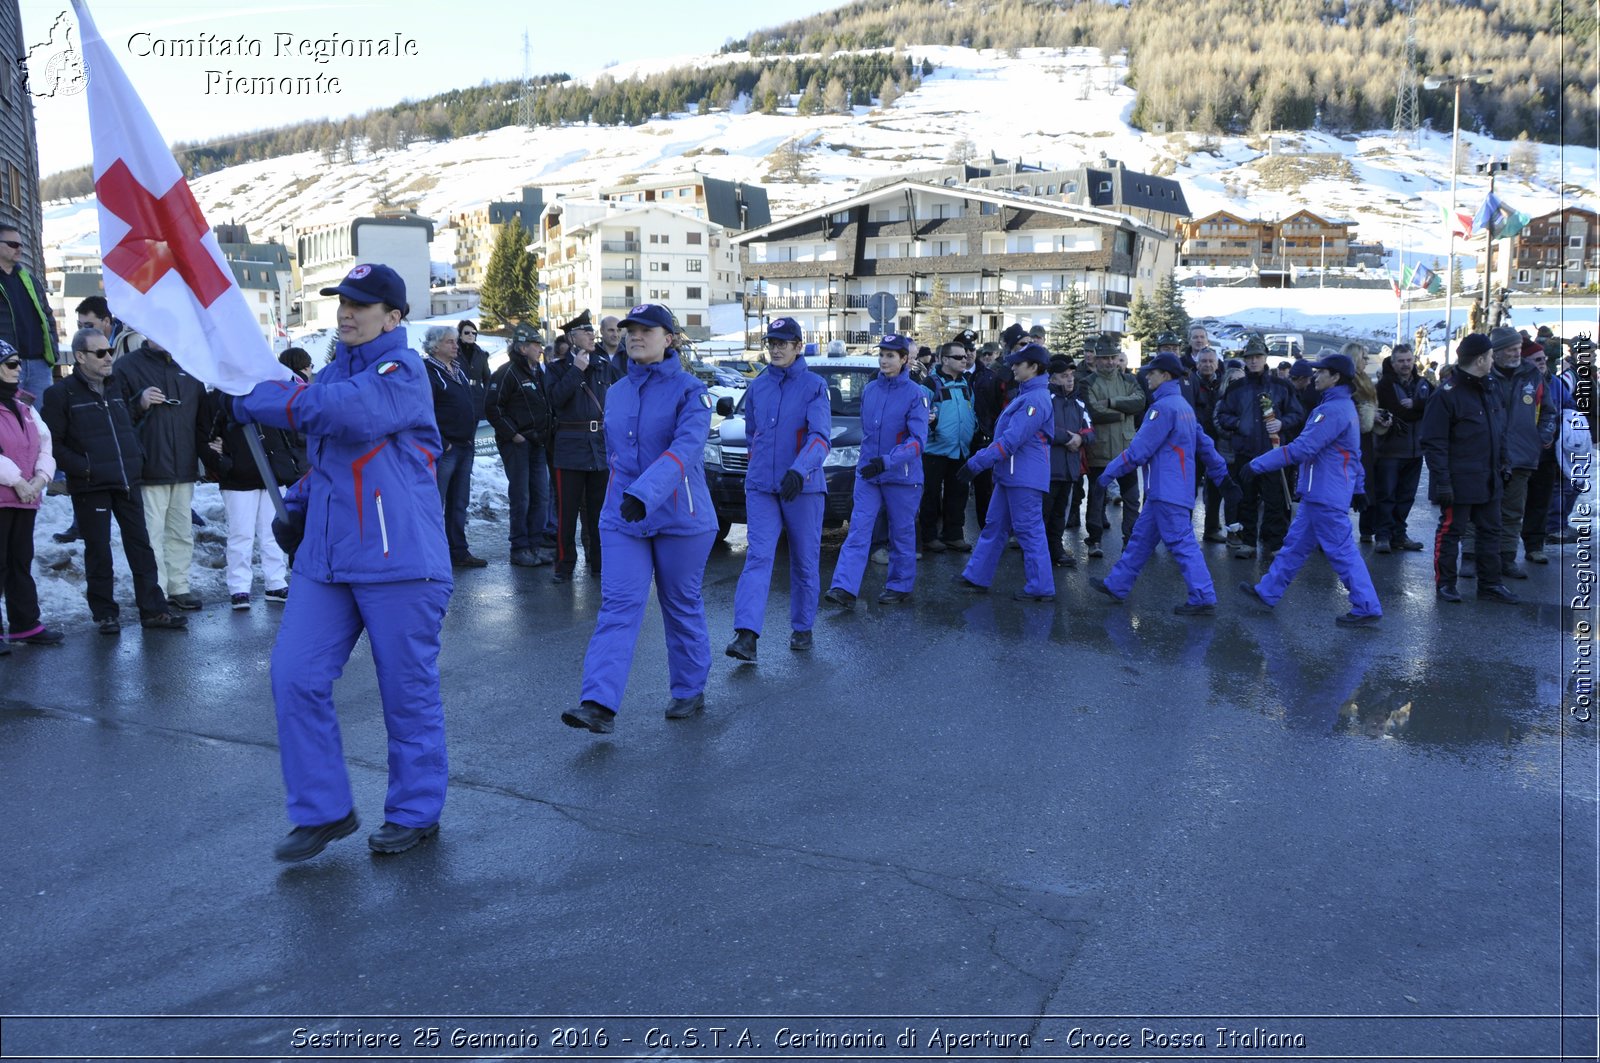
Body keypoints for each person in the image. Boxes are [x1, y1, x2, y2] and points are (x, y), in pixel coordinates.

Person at [234, 263, 453, 860]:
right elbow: (334, 460)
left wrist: (262, 398)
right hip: (326, 563)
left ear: (394, 316)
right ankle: (323, 810)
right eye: (342, 303)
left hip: (400, 562)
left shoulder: (402, 371)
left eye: (361, 303)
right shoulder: (331, 374)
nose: (347, 312)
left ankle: (415, 810)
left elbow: (346, 414)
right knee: (294, 676)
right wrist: (298, 504)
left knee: (406, 695)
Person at [563, 303, 716, 733]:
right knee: (618, 606)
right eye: (631, 329)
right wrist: (622, 496)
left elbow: (686, 449)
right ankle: (598, 703)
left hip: (680, 517)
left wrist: (644, 494)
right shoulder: (619, 390)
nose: (635, 336)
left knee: (680, 604)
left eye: (647, 330)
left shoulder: (691, 391)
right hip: (623, 516)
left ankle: (689, 689)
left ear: (669, 339)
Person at [40, 329, 187, 634]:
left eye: (109, 351)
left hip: (126, 479)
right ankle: (105, 614)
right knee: (98, 550)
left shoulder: (115, 385)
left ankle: (154, 611)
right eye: (100, 353)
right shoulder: (60, 394)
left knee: (140, 547)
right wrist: (86, 468)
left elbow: (124, 420)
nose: (108, 357)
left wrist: (137, 454)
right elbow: (52, 443)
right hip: (91, 485)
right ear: (80, 357)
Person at [1236, 352, 1382, 626]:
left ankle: (1366, 606)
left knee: (1341, 552)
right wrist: (1358, 488)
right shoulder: (1341, 406)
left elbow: (1302, 448)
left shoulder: (1332, 410)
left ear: (1336, 377)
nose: (1316, 376)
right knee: (1293, 547)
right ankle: (1268, 592)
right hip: (1322, 493)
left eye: (1321, 372)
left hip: (1325, 495)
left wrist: (1258, 464)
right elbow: (1353, 453)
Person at [1089, 352, 1238, 615]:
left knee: (1181, 543)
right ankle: (1117, 584)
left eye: (1152, 373)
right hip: (1169, 490)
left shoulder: (1163, 408)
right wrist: (1222, 477)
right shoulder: (1182, 407)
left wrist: (1106, 475)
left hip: (1166, 490)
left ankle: (1203, 596)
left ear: (1165, 376)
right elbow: (1205, 444)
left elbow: (1138, 451)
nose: (1147, 377)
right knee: (1140, 540)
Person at [726, 317, 831, 660]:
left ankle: (802, 627)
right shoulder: (758, 386)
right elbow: (752, 433)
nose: (775, 348)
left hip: (803, 488)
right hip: (761, 487)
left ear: (799, 346)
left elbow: (820, 438)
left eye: (783, 343)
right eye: (772, 342)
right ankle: (746, 635)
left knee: (803, 560)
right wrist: (759, 468)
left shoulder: (815, 386)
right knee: (758, 557)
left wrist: (799, 471)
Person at [824, 334, 928, 607]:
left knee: (901, 533)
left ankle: (900, 585)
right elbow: (868, 434)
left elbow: (917, 441)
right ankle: (844, 588)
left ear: (904, 359)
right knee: (858, 529)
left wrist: (888, 461)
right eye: (881, 354)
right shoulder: (870, 390)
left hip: (902, 477)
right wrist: (867, 464)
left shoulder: (915, 394)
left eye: (891, 355)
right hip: (869, 475)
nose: (884, 360)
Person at [1419, 333, 1518, 605]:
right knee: (1451, 532)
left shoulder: (1491, 387)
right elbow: (1434, 443)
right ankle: (1446, 585)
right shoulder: (1446, 396)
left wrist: (1505, 463)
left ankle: (1490, 584)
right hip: (1460, 479)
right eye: (1489, 356)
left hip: (1490, 477)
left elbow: (1499, 431)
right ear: (1481, 359)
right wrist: (1442, 482)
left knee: (1491, 532)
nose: (1492, 360)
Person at [953, 343, 1057, 601]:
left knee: (1029, 531)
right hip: (1013, 475)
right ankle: (977, 575)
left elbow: (1011, 440)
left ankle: (1041, 587)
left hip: (1023, 477)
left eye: (1018, 364)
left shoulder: (1035, 398)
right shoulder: (1028, 395)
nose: (1012, 367)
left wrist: (977, 463)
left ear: (1034, 368)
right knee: (995, 526)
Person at [114, 336, 208, 610]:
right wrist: (139, 403)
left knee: (181, 531)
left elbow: (202, 418)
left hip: (183, 465)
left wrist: (210, 455)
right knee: (151, 534)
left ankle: (179, 586)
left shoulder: (190, 366)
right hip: (147, 466)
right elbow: (115, 417)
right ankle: (156, 591)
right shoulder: (127, 367)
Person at [201, 390, 303, 608]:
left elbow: (288, 429)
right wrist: (222, 463)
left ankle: (276, 582)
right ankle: (239, 588)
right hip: (238, 478)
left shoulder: (268, 392)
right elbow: (205, 436)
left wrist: (288, 458)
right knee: (240, 534)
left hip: (274, 474)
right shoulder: (218, 397)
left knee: (273, 532)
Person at [1214, 334, 1303, 561]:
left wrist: (1283, 423)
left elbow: (1297, 414)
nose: (1253, 361)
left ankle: (1274, 543)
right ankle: (1247, 542)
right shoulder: (1236, 389)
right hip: (1245, 452)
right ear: (1245, 359)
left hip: (1273, 454)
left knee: (1274, 500)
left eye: (1258, 356)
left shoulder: (1282, 387)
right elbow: (1222, 414)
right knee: (1246, 499)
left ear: (1265, 358)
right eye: (1250, 357)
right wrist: (1237, 424)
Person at [0, 340, 63, 646]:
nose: (18, 370)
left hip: (25, 498)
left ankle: (25, 624)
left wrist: (41, 479)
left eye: (18, 363)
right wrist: (18, 481)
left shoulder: (25, 407)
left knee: (20, 561)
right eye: (11, 364)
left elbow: (45, 444)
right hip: (7, 495)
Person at [547, 309, 615, 583]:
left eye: (591, 331)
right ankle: (564, 566)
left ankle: (599, 564)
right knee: (567, 512)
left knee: (600, 512)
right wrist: (576, 371)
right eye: (585, 332)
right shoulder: (556, 368)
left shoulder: (603, 365)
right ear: (571, 337)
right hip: (570, 447)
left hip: (598, 447)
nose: (591, 335)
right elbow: (555, 399)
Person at [1487, 325, 1555, 579]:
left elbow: (1549, 410)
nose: (1518, 353)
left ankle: (1506, 558)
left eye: (1518, 348)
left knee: (1513, 512)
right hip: (1488, 455)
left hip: (1522, 456)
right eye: (1512, 349)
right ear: (1497, 352)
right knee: (1481, 508)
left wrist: (1542, 435)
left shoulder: (1531, 375)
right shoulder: (1484, 374)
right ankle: (1474, 558)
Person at [486, 324, 555, 567]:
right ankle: (519, 547)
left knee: (541, 496)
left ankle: (535, 545)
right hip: (518, 445)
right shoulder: (507, 373)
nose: (540, 348)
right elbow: (493, 407)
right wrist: (513, 434)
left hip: (538, 443)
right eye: (536, 344)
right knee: (521, 497)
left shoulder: (538, 371)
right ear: (522, 347)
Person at [422, 325, 485, 568]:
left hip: (465, 445)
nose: (456, 345)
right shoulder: (429, 372)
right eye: (450, 342)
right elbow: (426, 410)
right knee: (436, 503)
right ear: (435, 346)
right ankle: (433, 553)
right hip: (445, 449)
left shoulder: (458, 370)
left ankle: (459, 551)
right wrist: (443, 442)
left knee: (460, 502)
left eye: (455, 342)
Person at [1081, 337, 1146, 558]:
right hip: (1099, 450)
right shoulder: (1087, 383)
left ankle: (1130, 540)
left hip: (1126, 451)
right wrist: (1123, 412)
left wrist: (1111, 403)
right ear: (1096, 360)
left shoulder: (1129, 379)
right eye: (1104, 358)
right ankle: (1094, 539)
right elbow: (1092, 412)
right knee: (1097, 498)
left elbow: (1139, 402)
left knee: (1132, 499)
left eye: (1112, 357)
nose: (1109, 362)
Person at [1372, 342, 1432, 553]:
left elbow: (1435, 406)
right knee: (1387, 495)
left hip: (1416, 450)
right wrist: (1419, 408)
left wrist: (1416, 404)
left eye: (1409, 360)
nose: (1406, 364)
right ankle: (1383, 535)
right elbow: (1399, 413)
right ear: (1393, 362)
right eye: (1401, 361)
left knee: (1406, 496)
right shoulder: (1385, 385)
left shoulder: (1423, 383)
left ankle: (1399, 534)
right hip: (1390, 450)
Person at [921, 342, 978, 552]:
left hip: (961, 448)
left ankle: (953, 535)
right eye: (958, 357)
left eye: (965, 356)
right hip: (934, 450)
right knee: (931, 495)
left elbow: (971, 410)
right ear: (945, 360)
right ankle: (929, 536)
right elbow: (919, 416)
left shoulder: (965, 383)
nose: (965, 359)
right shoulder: (929, 384)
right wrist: (932, 427)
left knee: (958, 493)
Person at [0, 224, 58, 407]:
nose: (19, 249)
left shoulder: (29, 279)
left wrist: (53, 350)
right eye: (13, 244)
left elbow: (47, 315)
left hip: (38, 364)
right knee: (9, 421)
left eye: (21, 244)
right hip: (6, 366)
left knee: (40, 423)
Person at [1044, 355, 1093, 568]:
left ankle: (1056, 549)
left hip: (1070, 469)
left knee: (1059, 514)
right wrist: (1067, 438)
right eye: (1064, 376)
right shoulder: (1045, 399)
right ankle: (1036, 552)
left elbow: (1091, 430)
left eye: (1071, 375)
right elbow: (1041, 428)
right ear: (1053, 379)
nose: (1070, 379)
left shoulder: (1079, 402)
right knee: (1042, 514)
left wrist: (1081, 438)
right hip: (1047, 468)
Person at [1187, 346, 1227, 542]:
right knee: (1189, 488)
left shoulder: (1224, 384)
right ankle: (1184, 531)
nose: (1208, 364)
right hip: (1194, 444)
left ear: (1217, 364)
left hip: (1216, 443)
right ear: (1197, 364)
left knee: (1214, 488)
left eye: (1211, 361)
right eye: (1204, 361)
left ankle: (1211, 529)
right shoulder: (1189, 383)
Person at [456, 320, 492, 421]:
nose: (471, 335)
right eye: (467, 332)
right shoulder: (453, 352)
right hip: (458, 395)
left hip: (477, 397)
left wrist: (485, 394)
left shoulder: (481, 354)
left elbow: (487, 378)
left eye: (474, 333)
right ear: (460, 335)